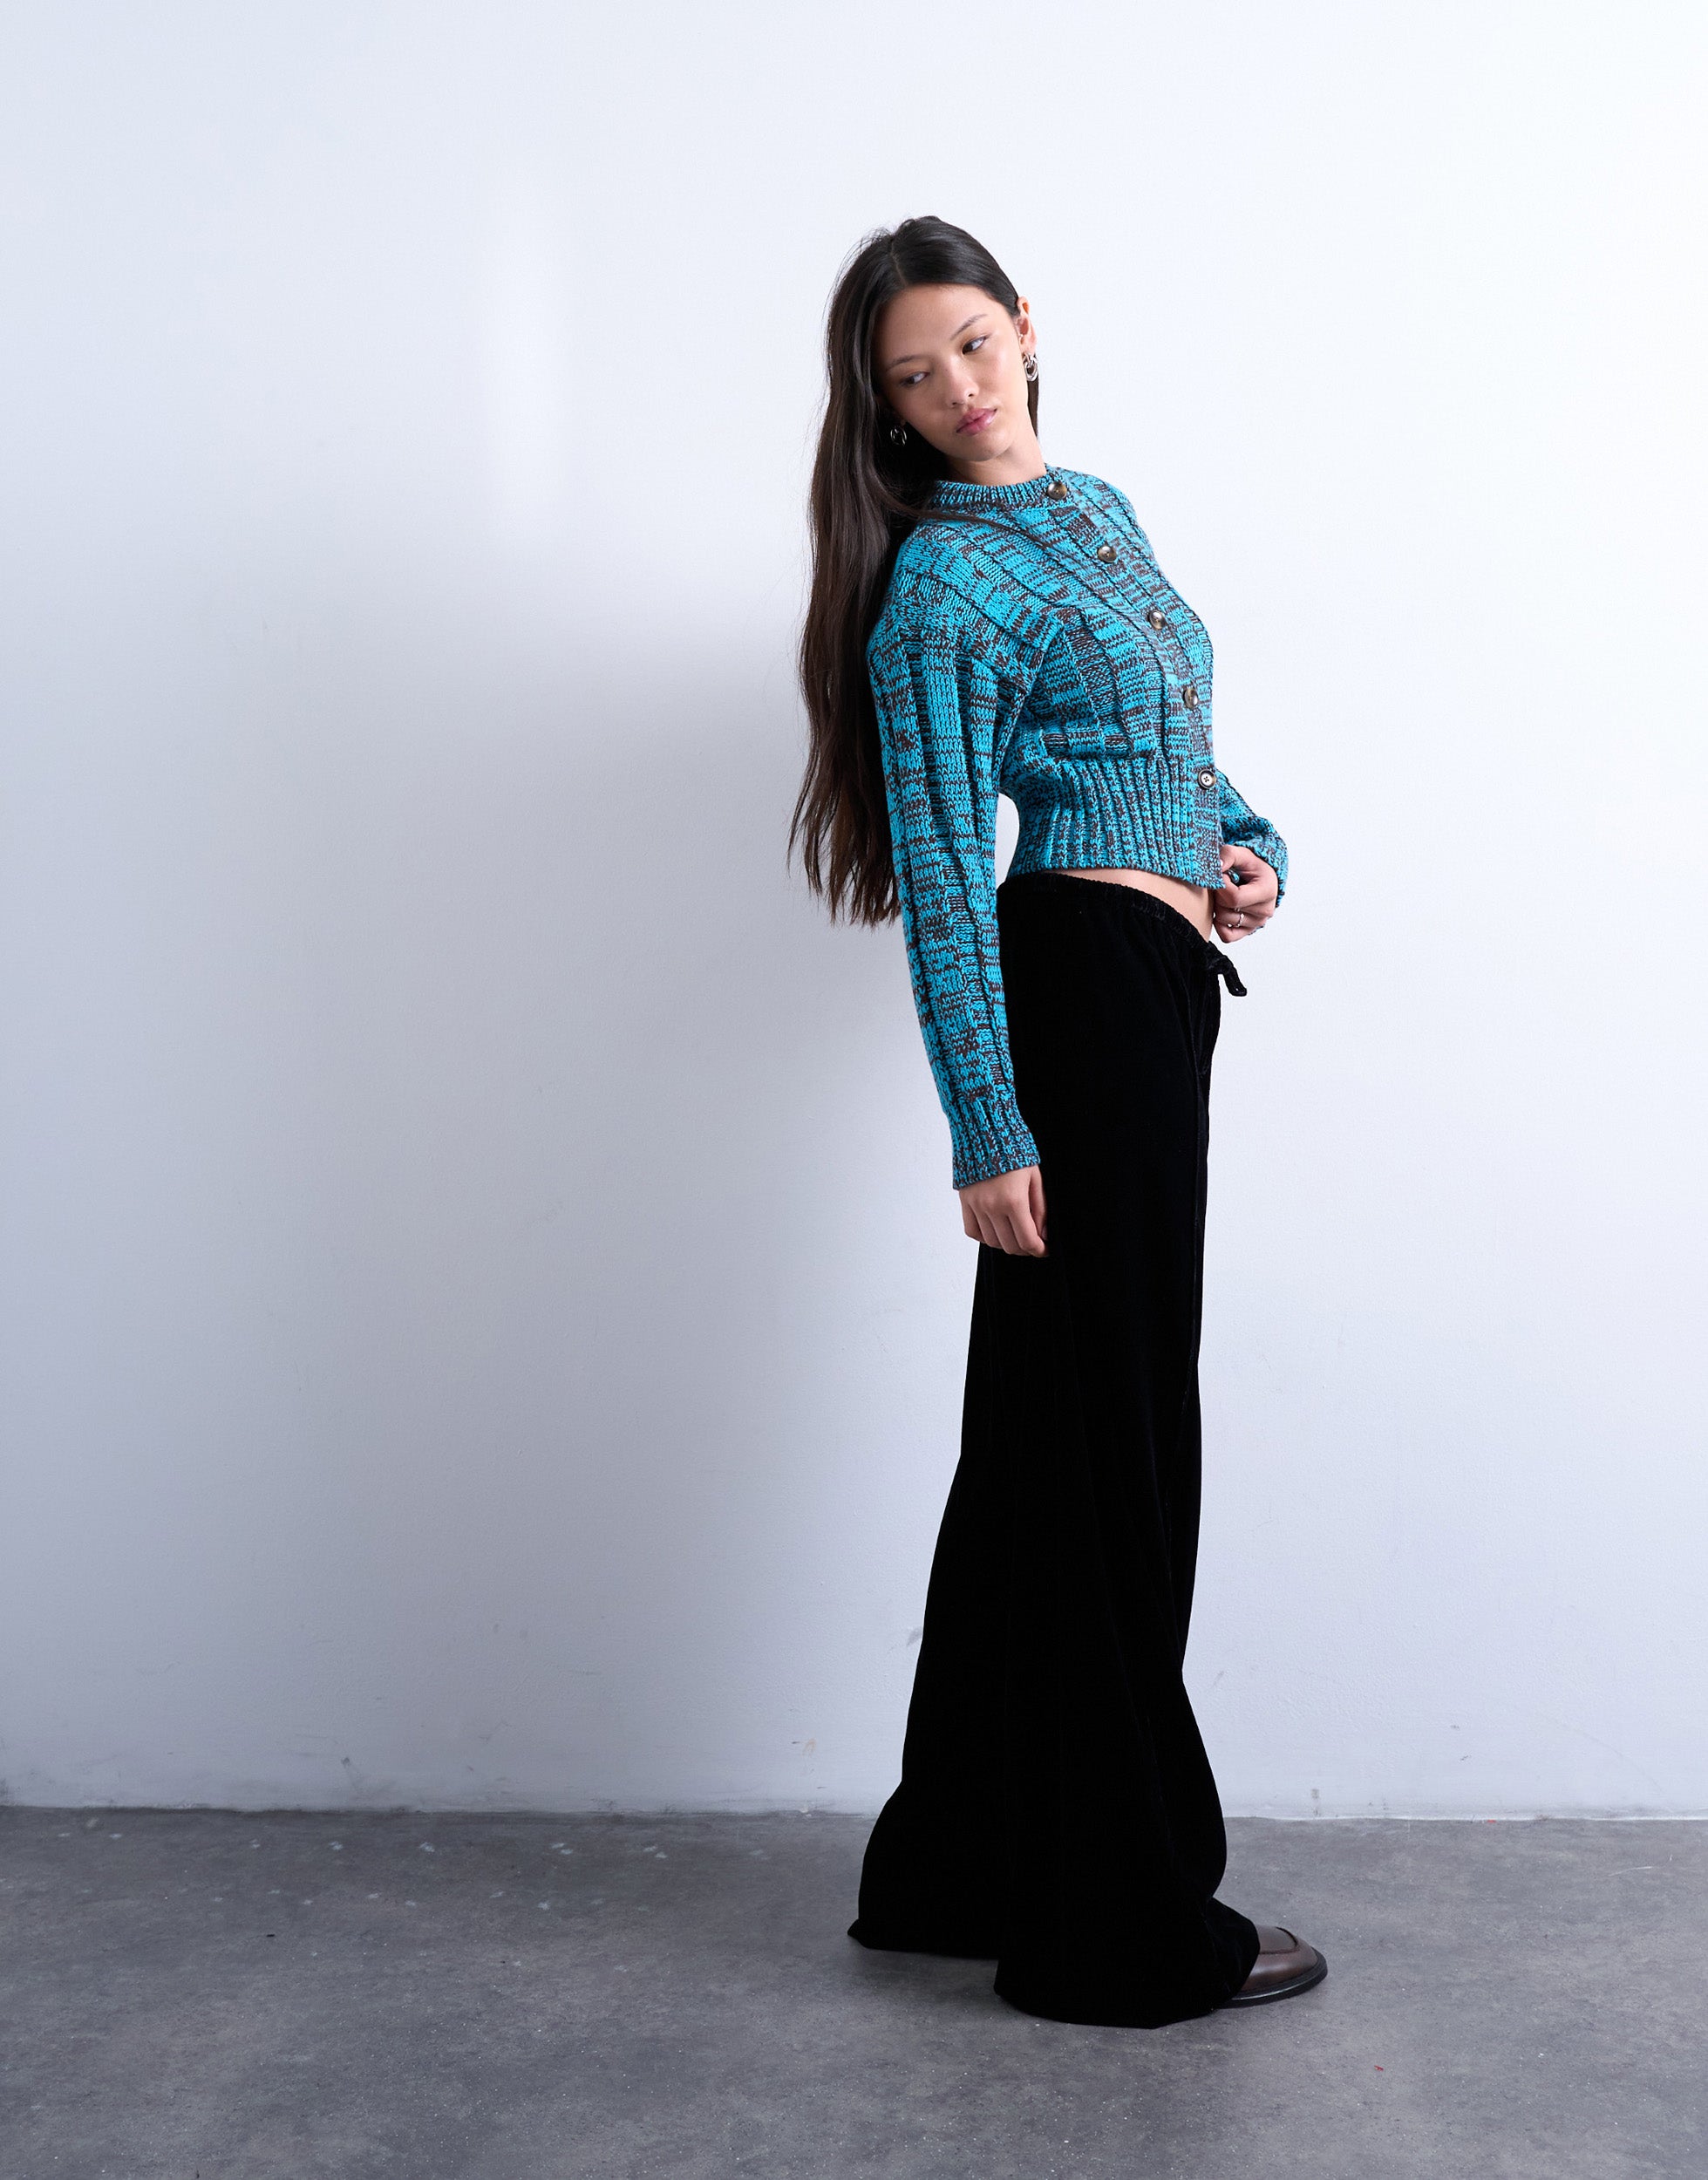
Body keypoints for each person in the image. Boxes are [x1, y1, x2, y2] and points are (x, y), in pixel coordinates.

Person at [792, 215, 1325, 2029]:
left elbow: (1170, 736)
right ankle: (1116, 1919)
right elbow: (948, 876)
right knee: (1113, 1447)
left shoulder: (1095, 510)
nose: (955, 387)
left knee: (1047, 1438)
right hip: (1075, 1003)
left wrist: (1244, 846)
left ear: (1024, 326)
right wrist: (984, 1124)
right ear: (883, 411)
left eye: (968, 342)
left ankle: (958, 1862)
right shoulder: (939, 591)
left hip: (1153, 981)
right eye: (910, 376)